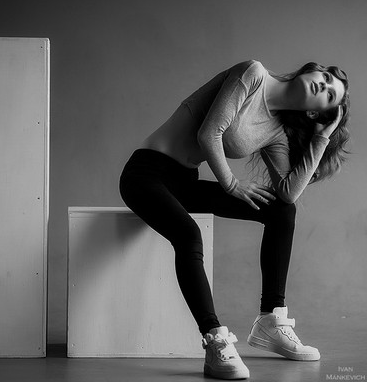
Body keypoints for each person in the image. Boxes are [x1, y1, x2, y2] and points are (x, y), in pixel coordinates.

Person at [119, 59, 350, 380]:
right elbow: (209, 133)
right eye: (324, 77)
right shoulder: (253, 74)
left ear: (314, 113)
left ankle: (271, 318)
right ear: (310, 71)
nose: (323, 84)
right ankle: (214, 339)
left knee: (281, 211)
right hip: (146, 174)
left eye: (329, 94)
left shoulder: (276, 132)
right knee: (188, 235)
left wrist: (321, 138)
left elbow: (288, 193)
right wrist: (231, 184)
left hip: (184, 183)